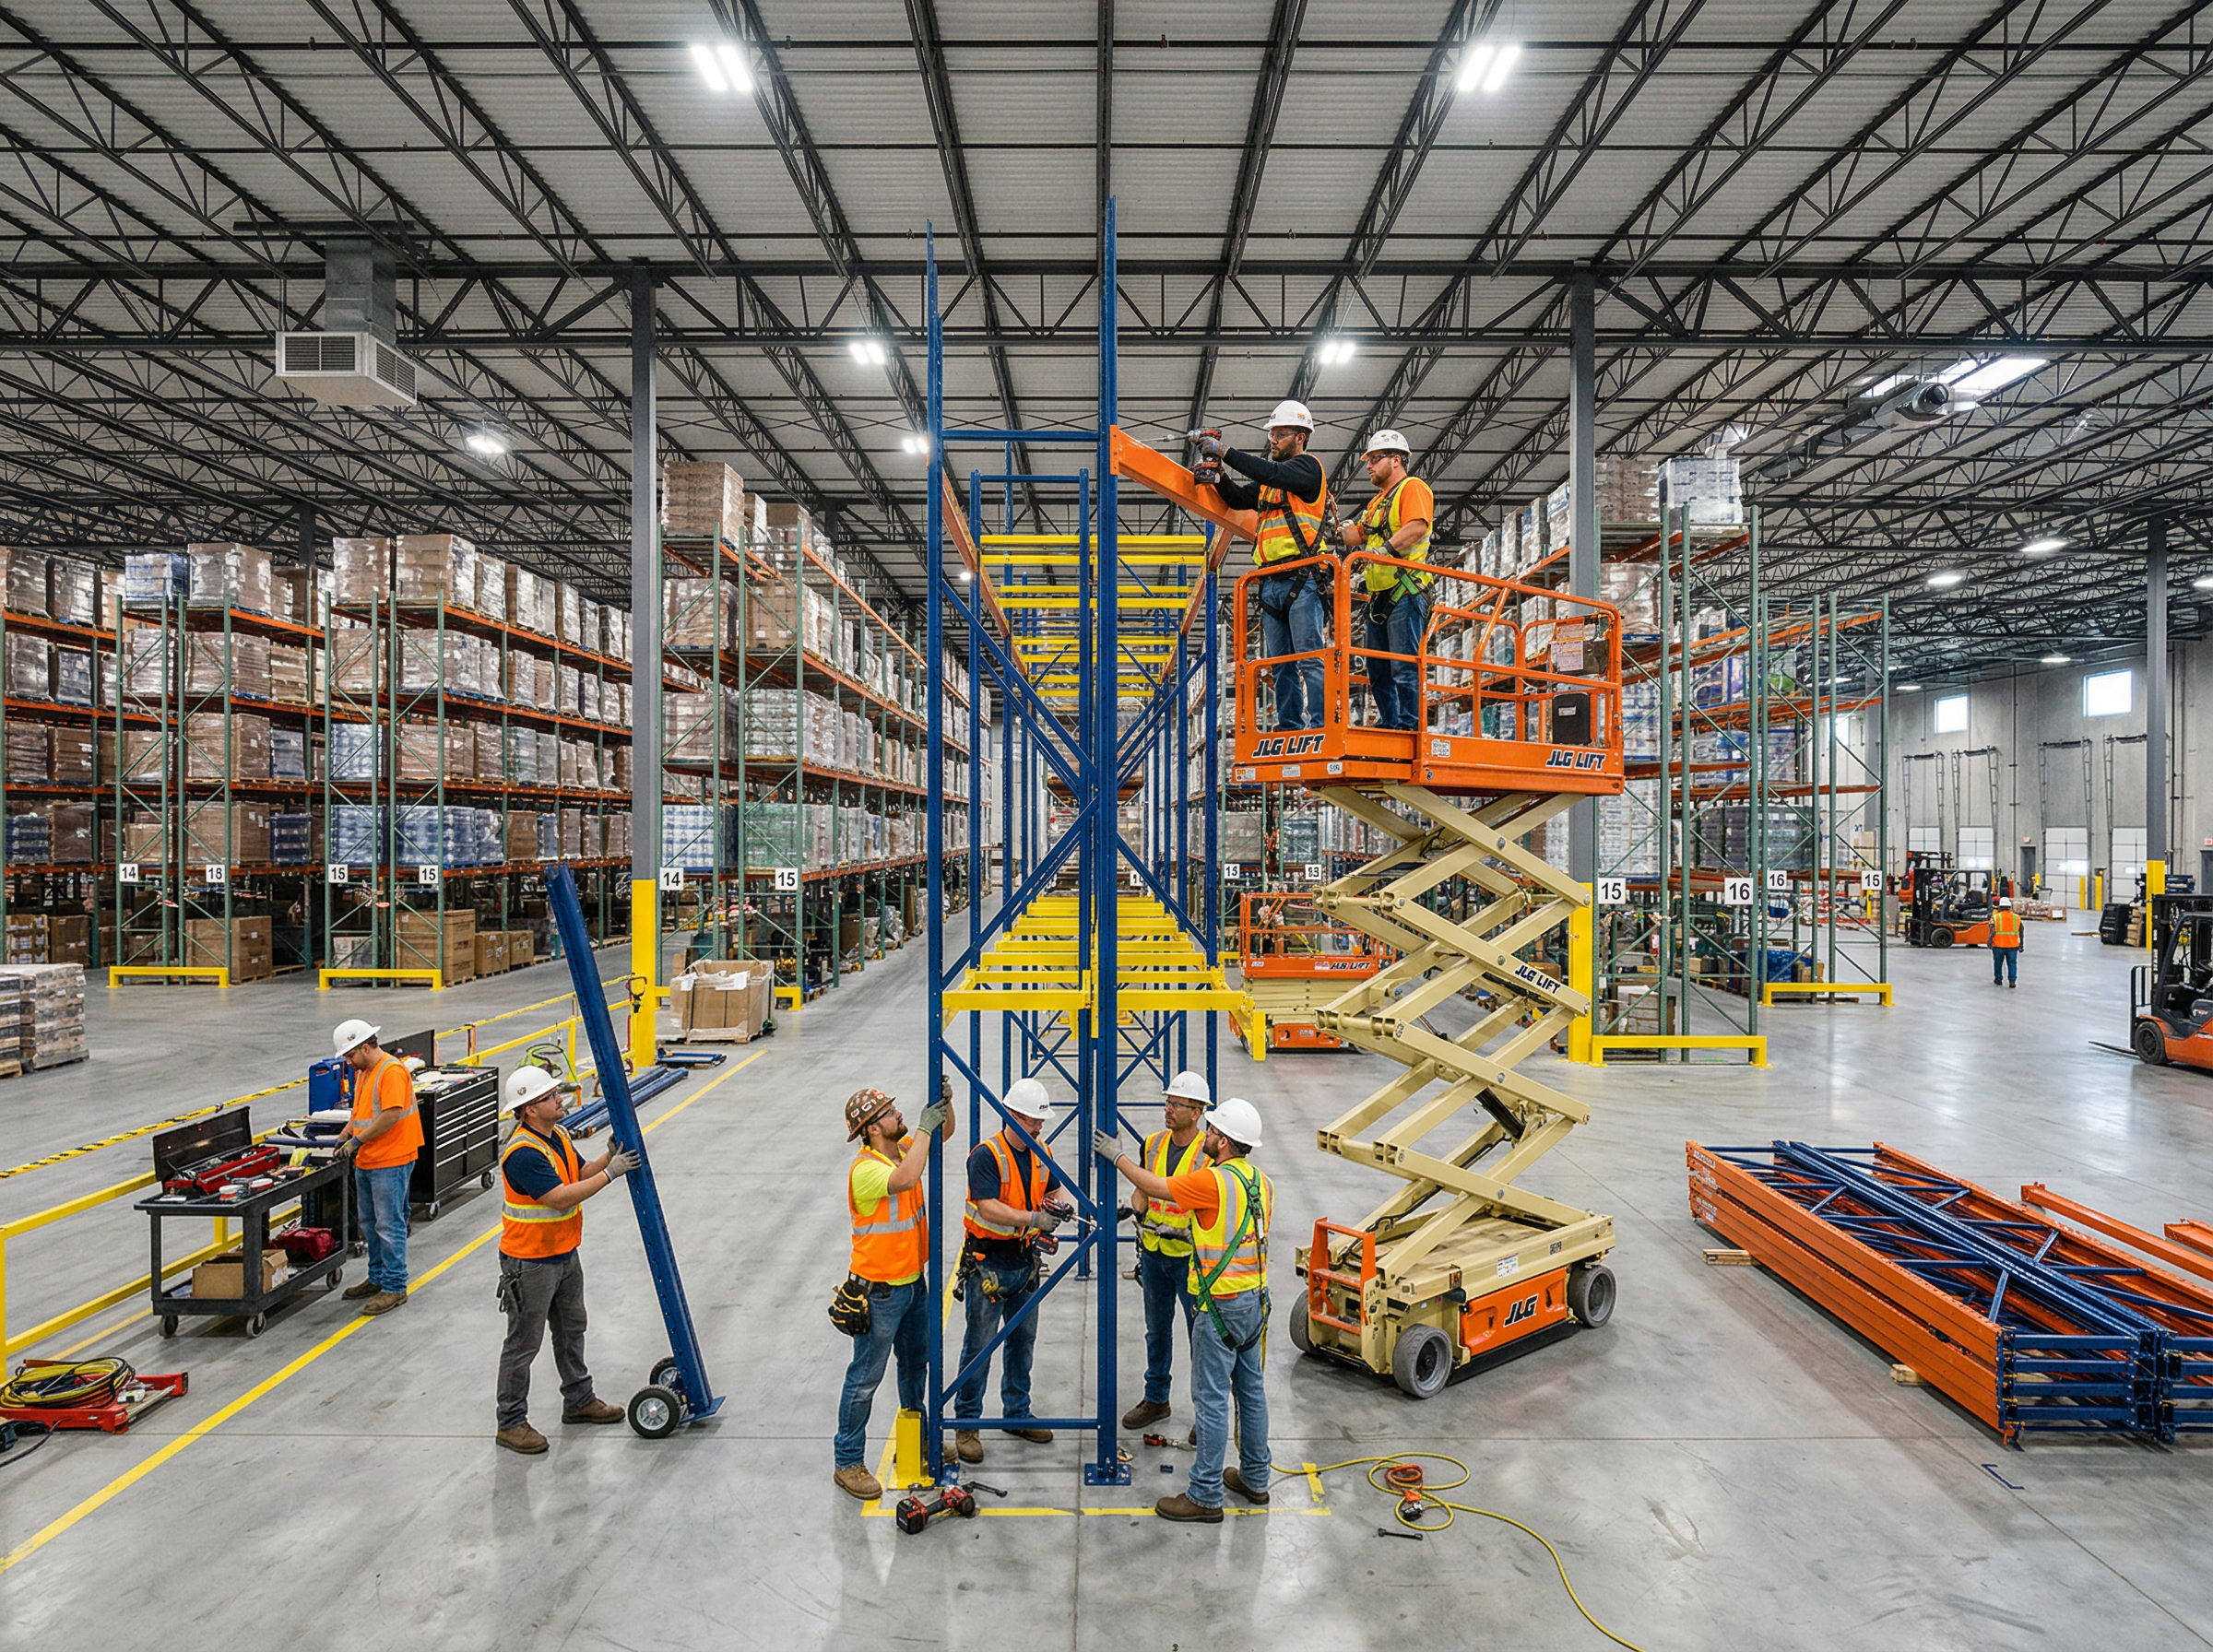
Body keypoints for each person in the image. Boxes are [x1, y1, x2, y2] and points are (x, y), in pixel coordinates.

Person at [1096, 1095, 1273, 1525]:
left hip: (1220, 1307)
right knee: (1250, 1393)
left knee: (1211, 1400)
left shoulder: (1212, 1181)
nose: (1208, 1137)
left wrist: (1117, 1155)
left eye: (1214, 1132)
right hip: (1255, 1303)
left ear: (1225, 1141)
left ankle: (1206, 1494)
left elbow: (1158, 1189)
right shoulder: (1260, 1182)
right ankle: (1255, 1478)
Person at [493, 1065, 639, 1454]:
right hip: (530, 1262)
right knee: (524, 1343)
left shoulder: (555, 1135)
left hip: (563, 1253)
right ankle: (510, 1423)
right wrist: (611, 1174)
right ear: (528, 1110)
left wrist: (607, 1157)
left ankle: (578, 1400)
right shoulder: (523, 1154)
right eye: (549, 1097)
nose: (559, 1099)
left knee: (573, 1328)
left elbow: (577, 1173)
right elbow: (559, 1197)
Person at [834, 1085, 953, 1500]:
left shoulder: (902, 1147)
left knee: (913, 1368)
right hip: (879, 1294)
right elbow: (907, 1179)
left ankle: (914, 1440)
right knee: (865, 1379)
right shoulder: (866, 1169)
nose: (897, 1114)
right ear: (870, 1128)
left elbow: (944, 1134)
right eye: (888, 1112)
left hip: (911, 1286)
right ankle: (848, 1461)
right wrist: (922, 1126)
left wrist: (945, 1107)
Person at [953, 1076, 1071, 1463]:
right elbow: (988, 1207)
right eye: (1033, 1120)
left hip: (1024, 1262)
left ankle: (1017, 1412)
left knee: (1023, 1342)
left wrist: (1057, 1206)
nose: (1039, 1127)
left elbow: (1054, 1189)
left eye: (1040, 1121)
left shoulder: (1042, 1150)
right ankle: (966, 1425)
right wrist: (1035, 1219)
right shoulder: (986, 1155)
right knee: (979, 1347)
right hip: (989, 1264)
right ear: (1011, 1116)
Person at [1198, 400, 1332, 730]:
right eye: (1272, 434)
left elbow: (1271, 471)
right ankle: (1289, 726)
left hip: (1302, 579)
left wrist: (1223, 450)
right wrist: (1218, 473)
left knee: (1309, 658)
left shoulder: (1308, 469)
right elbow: (1238, 499)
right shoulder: (1272, 483)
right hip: (1271, 581)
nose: (1273, 440)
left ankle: (1321, 726)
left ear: (1301, 437)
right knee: (1279, 664)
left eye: (1281, 434)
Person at [1119, 1070, 1212, 1431]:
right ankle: (1156, 1399)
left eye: (1177, 1104)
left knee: (1199, 1339)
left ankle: (1205, 1415)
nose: (1169, 1109)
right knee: (1156, 1332)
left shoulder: (1208, 1155)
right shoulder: (1153, 1143)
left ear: (1198, 1111)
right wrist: (1136, 1203)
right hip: (1156, 1253)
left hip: (1191, 1260)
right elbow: (1144, 1186)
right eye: (1168, 1102)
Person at [1339, 430, 1435, 731]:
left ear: (1396, 460)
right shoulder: (1378, 503)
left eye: (1374, 459)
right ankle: (1390, 721)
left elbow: (1417, 526)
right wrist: (1336, 526)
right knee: (1377, 668)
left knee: (1403, 666)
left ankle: (1408, 725)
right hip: (1379, 597)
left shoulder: (1412, 488)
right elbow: (1358, 535)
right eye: (1368, 460)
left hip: (1406, 591)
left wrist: (1384, 550)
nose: (1368, 465)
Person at [332, 1020, 420, 1316]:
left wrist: (355, 1141)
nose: (348, 1061)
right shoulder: (366, 1072)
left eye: (350, 1056)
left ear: (365, 1047)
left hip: (391, 1160)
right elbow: (361, 1114)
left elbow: (391, 1115)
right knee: (369, 1223)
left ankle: (395, 1287)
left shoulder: (391, 1071)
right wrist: (345, 1134)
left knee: (389, 1224)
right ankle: (377, 1278)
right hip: (369, 1158)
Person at [1992, 894, 2023, 988]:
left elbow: (1992, 930)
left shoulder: (1996, 917)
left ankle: (1998, 979)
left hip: (1998, 944)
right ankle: (2012, 981)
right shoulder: (2016, 917)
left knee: (1998, 962)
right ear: (2009, 907)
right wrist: (2021, 944)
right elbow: (2022, 929)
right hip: (2013, 945)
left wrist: (1989, 941)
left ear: (2000, 907)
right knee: (2012, 963)